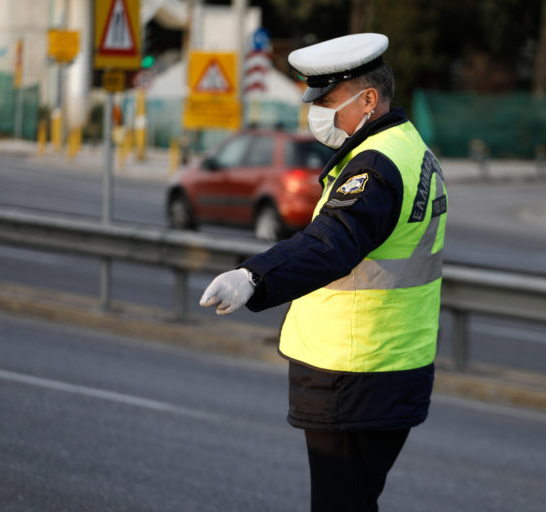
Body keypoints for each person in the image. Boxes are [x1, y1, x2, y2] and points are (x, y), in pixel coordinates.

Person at [200, 32, 447, 512]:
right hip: (391, 368)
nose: (318, 114)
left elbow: (329, 244)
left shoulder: (376, 167)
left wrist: (254, 277)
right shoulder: (409, 147)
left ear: (369, 100)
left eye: (329, 100)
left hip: (354, 372)